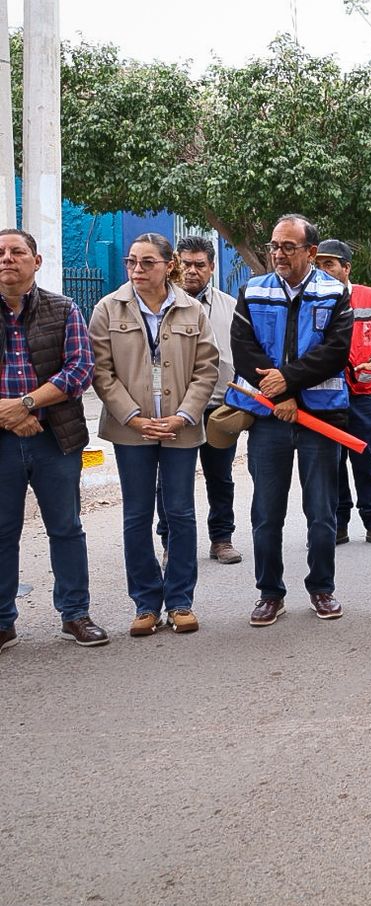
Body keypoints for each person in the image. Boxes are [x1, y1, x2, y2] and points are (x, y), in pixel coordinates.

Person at [89, 233, 220, 635]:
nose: (137, 270)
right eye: (132, 262)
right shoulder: (108, 309)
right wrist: (132, 417)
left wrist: (183, 415)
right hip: (132, 432)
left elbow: (207, 369)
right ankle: (145, 603)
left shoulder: (191, 310)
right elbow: (102, 372)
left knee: (180, 512)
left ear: (168, 266)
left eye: (147, 263)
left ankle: (180, 601)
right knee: (137, 514)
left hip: (180, 428)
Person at [227, 213, 354, 627]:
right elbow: (243, 349)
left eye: (288, 247)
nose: (279, 254)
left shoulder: (335, 292)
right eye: (274, 246)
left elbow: (335, 352)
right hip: (269, 419)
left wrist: (290, 385)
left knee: (321, 510)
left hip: (321, 418)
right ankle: (270, 593)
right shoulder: (252, 290)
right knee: (266, 512)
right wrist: (278, 395)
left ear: (311, 252)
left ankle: (322, 588)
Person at [0, 228, 107, 652]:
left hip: (54, 439)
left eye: (17, 252)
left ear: (36, 261)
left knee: (65, 528)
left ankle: (75, 614)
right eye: (1, 252)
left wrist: (25, 404)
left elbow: (80, 370)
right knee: (2, 532)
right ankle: (3, 622)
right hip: (3, 440)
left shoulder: (64, 310)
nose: (8, 258)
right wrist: (8, 415)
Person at [161, 235, 241, 564]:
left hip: (217, 410)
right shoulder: (160, 307)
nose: (192, 271)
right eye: (186, 264)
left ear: (211, 268)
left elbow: (241, 357)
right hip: (172, 412)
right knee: (169, 481)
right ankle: (171, 542)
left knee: (220, 478)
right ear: (174, 266)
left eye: (199, 265)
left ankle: (221, 538)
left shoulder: (231, 307)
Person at [312, 239, 371, 548]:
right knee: (331, 461)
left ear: (346, 268)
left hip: (362, 392)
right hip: (324, 394)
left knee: (365, 455)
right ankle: (338, 524)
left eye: (329, 265)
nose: (323, 271)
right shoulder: (309, 299)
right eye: (318, 265)